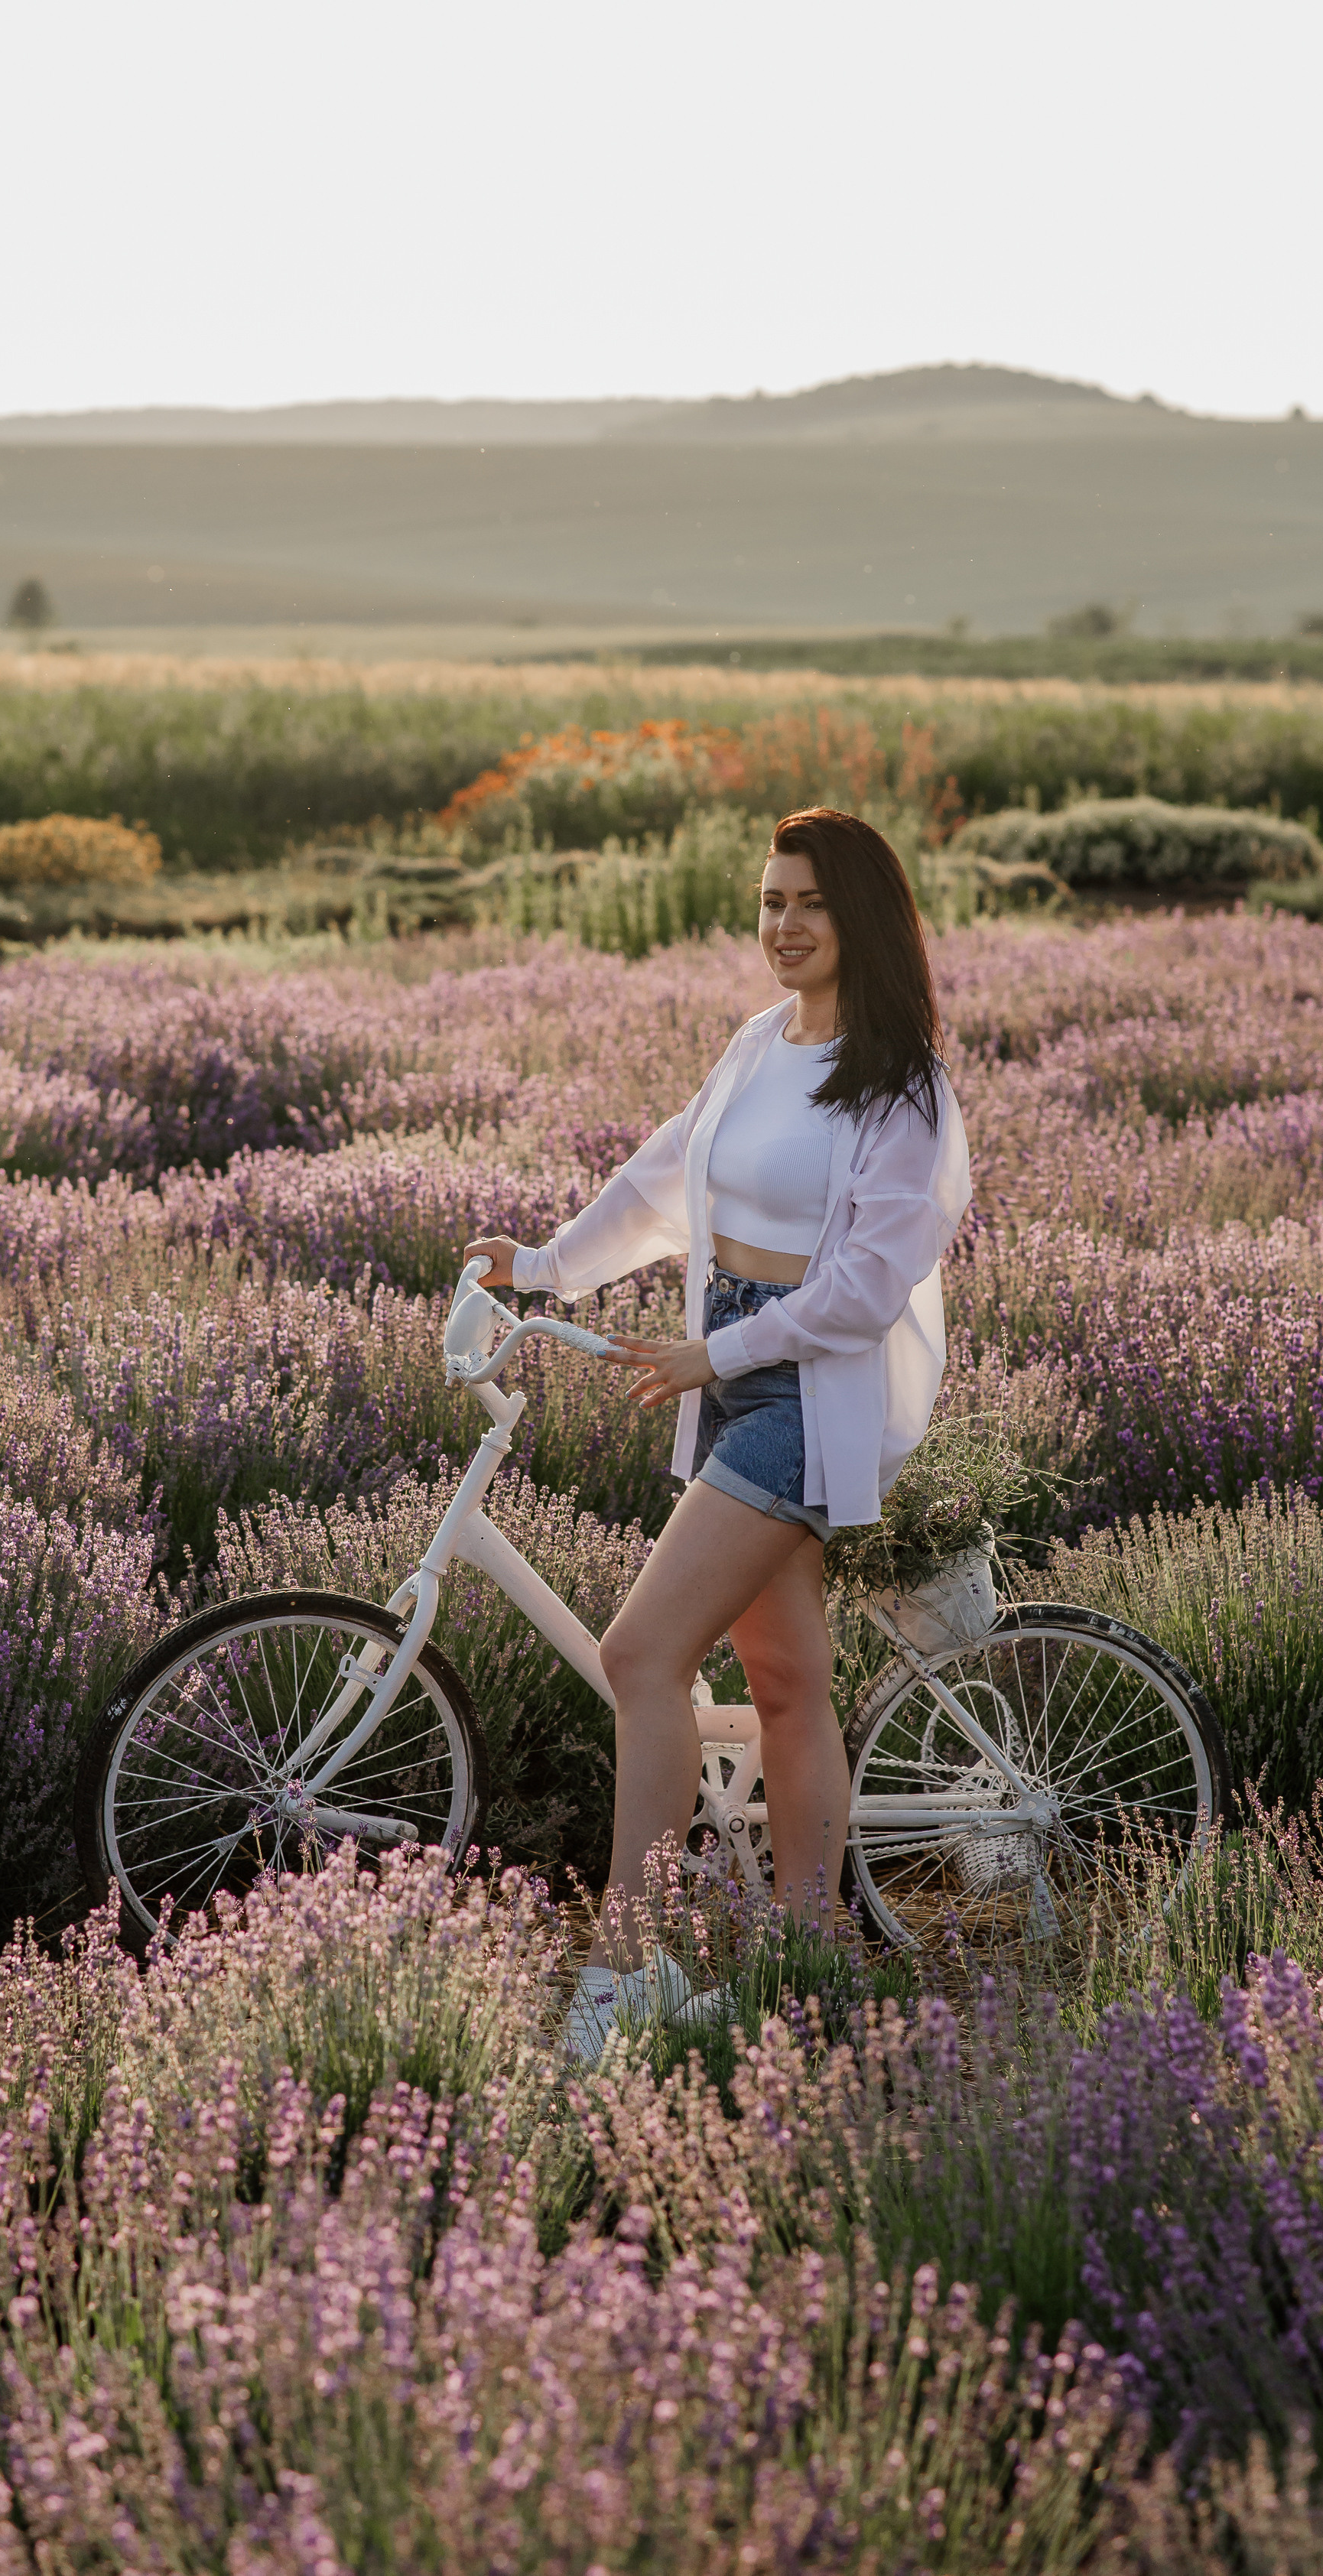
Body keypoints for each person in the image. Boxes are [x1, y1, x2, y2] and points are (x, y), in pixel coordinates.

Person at [465, 806, 972, 2058]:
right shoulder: (758, 1043)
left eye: (809, 902)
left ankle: (627, 1971)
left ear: (861, 919)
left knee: (641, 1656)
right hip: (736, 1368)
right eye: (769, 901)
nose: (784, 925)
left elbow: (865, 1290)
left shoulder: (902, 1088)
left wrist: (720, 1353)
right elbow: (663, 1177)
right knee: (789, 1686)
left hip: (803, 1392)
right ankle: (813, 1959)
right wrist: (545, 1262)